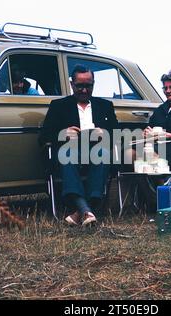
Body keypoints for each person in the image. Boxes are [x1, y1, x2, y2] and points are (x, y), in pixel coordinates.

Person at [42, 64, 118, 226]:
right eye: (79, 86)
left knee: (102, 154)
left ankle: (81, 211)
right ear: (71, 84)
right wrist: (63, 133)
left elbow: (117, 135)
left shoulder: (105, 106)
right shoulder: (58, 106)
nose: (84, 90)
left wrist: (105, 134)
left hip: (96, 150)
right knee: (67, 154)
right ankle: (87, 209)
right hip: (69, 151)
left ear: (93, 84)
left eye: (88, 86)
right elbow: (43, 137)